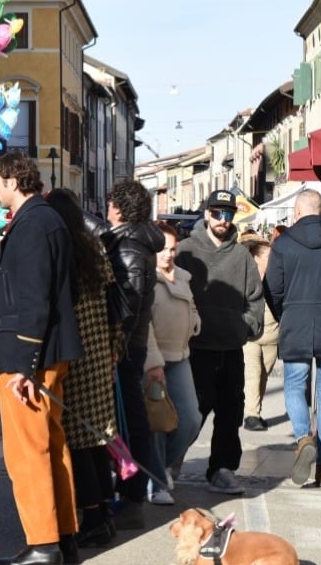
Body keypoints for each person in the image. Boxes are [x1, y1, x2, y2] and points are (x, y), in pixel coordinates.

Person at [0, 152, 82, 565]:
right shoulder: (47, 220)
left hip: (29, 357)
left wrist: (24, 364)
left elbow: (32, 300)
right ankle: (62, 534)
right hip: (48, 351)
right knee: (52, 444)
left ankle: (43, 543)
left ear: (11, 181)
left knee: (28, 452)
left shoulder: (32, 226)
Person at [174, 189, 265, 495]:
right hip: (194, 349)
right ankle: (172, 463)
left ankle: (222, 469)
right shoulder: (185, 251)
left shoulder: (241, 256)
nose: (223, 220)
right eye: (217, 213)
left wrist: (246, 328)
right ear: (206, 213)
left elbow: (255, 299)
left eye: (228, 214)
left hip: (230, 347)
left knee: (230, 412)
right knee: (191, 413)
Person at [46, 188, 120, 549]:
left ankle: (91, 516)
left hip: (73, 353)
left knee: (77, 439)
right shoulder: (94, 248)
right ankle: (104, 513)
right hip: (99, 350)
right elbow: (113, 302)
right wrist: (113, 349)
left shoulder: (63, 251)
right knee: (96, 438)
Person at [86, 179, 163, 515]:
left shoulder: (130, 248)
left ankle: (132, 492)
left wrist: (117, 343)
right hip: (129, 342)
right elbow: (104, 231)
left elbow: (128, 304)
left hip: (126, 345)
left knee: (129, 419)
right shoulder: (131, 239)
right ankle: (129, 487)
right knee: (126, 416)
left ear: (117, 207)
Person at [265, 189, 321, 488]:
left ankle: (303, 438)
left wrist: (283, 313)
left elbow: (272, 287)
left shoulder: (283, 243)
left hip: (295, 321)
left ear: (297, 213)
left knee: (294, 386)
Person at [143, 222, 202, 506]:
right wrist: (153, 363)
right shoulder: (146, 279)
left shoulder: (183, 277)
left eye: (172, 249)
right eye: (161, 249)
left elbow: (190, 307)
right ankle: (155, 482)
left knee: (191, 419)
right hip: (154, 360)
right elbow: (145, 326)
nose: (167, 255)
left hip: (181, 356)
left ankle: (161, 467)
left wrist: (194, 323)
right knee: (157, 423)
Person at [240, 239, 279, 433]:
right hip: (250, 336)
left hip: (272, 336)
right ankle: (251, 415)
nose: (273, 260)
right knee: (253, 374)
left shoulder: (277, 278)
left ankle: (256, 411)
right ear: (256, 258)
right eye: (268, 256)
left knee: (264, 374)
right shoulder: (247, 277)